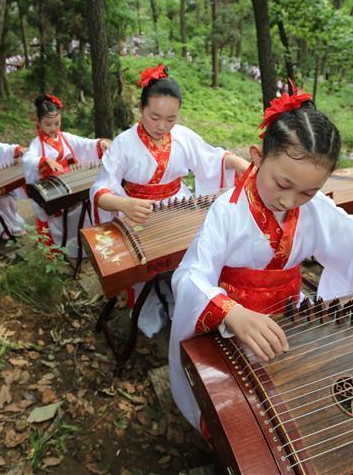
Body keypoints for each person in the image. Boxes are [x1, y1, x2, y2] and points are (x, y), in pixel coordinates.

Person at [167, 87, 353, 431]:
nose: (290, 200)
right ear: (256, 157)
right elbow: (191, 275)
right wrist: (232, 313)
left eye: (307, 192)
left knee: (294, 403)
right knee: (243, 419)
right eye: (282, 183)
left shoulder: (312, 208)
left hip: (290, 318)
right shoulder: (228, 211)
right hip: (232, 326)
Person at [90, 64, 250, 336]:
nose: (162, 126)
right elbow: (100, 189)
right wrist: (123, 204)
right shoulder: (124, 143)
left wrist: (235, 161)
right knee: (145, 269)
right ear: (140, 110)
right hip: (137, 213)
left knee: (189, 258)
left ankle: (186, 301)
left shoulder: (183, 137)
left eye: (171, 119)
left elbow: (210, 160)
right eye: (154, 117)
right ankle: (148, 309)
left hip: (178, 207)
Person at [20, 94, 110, 258]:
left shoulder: (65, 138)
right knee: (58, 222)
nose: (53, 128)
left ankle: (82, 246)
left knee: (82, 211)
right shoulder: (37, 144)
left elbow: (84, 144)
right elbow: (27, 158)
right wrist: (43, 160)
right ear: (38, 123)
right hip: (53, 190)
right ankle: (60, 249)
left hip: (71, 184)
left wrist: (100, 143)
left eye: (57, 123)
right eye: (48, 124)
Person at [0, 140, 27, 242]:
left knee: (7, 200)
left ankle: (12, 226)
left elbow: (6, 149)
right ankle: (2, 230)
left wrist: (17, 150)